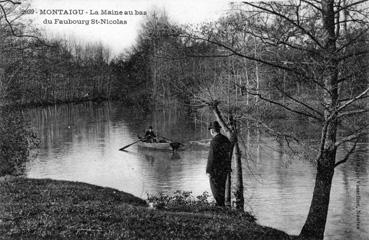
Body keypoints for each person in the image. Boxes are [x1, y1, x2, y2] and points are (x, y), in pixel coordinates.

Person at [206, 121, 232, 207]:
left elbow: (211, 157)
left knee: (215, 189)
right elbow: (228, 154)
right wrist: (228, 166)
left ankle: (219, 206)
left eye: (210, 130)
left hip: (215, 170)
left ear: (212, 130)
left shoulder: (214, 141)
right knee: (222, 188)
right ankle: (222, 205)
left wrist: (209, 170)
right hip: (224, 168)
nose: (210, 132)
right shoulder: (226, 140)